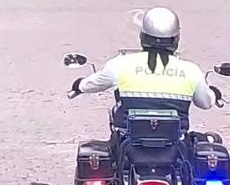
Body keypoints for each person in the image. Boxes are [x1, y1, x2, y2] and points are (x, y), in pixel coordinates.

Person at [71, 7, 216, 112]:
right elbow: (205, 103)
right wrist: (215, 94)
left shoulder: (120, 64)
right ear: (176, 39)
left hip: (128, 142)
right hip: (175, 144)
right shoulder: (191, 71)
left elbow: (93, 83)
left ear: (142, 36)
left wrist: (79, 85)